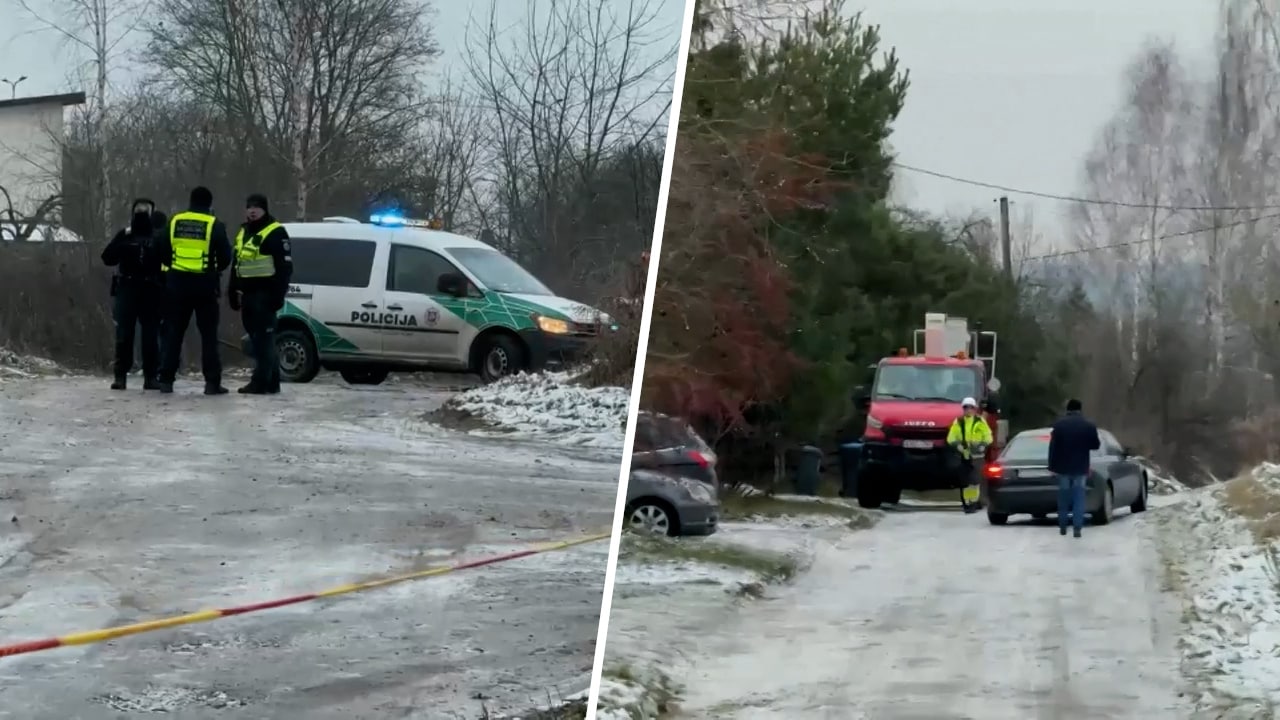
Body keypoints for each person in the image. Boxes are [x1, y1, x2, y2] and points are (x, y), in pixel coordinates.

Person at [155, 186, 233, 395]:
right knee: (208, 336)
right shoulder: (213, 224)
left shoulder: (174, 221)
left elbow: (161, 249)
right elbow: (226, 256)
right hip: (204, 286)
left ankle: (166, 380)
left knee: (174, 334)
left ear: (190, 201)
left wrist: (174, 267)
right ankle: (212, 383)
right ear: (209, 204)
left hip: (177, 285)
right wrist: (212, 269)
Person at [229, 193, 292, 394]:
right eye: (249, 207)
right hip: (247, 293)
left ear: (265, 209)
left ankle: (260, 382)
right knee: (257, 340)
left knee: (264, 340)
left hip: (265, 294)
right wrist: (232, 289)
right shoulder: (243, 232)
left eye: (257, 207)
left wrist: (278, 296)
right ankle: (272, 381)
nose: (252, 210)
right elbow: (237, 262)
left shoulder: (275, 232)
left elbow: (284, 268)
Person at [101, 198, 164, 390]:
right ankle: (120, 376)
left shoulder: (159, 237)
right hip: (127, 287)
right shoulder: (125, 235)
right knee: (124, 334)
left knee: (151, 336)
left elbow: (168, 262)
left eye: (146, 210)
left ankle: (151, 376)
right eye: (139, 210)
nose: (142, 213)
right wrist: (123, 246)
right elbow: (108, 258)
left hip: (151, 289)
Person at [1048, 398, 1101, 538]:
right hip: (1081, 466)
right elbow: (1095, 445)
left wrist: (1052, 466)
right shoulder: (1088, 425)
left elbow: (1053, 447)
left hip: (1063, 467)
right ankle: (1077, 528)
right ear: (1080, 409)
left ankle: (1063, 526)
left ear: (1068, 410)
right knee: (1079, 497)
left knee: (1064, 497)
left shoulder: (1059, 425)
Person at [946, 396, 994, 514]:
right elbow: (951, 437)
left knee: (975, 481)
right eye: (966, 408)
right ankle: (968, 503)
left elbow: (988, 436)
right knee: (965, 482)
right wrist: (958, 446)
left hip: (977, 456)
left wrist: (982, 444)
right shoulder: (958, 422)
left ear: (975, 409)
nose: (968, 410)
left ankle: (973, 503)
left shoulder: (980, 421)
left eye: (971, 408)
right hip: (964, 456)